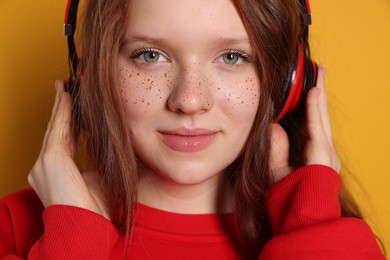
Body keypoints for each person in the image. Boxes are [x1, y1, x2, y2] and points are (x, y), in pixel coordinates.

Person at [0, 0, 385, 259]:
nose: (190, 100)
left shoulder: (333, 239)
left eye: (232, 57)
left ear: (289, 82)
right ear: (93, 76)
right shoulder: (14, 229)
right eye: (150, 55)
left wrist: (311, 222)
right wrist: (73, 237)